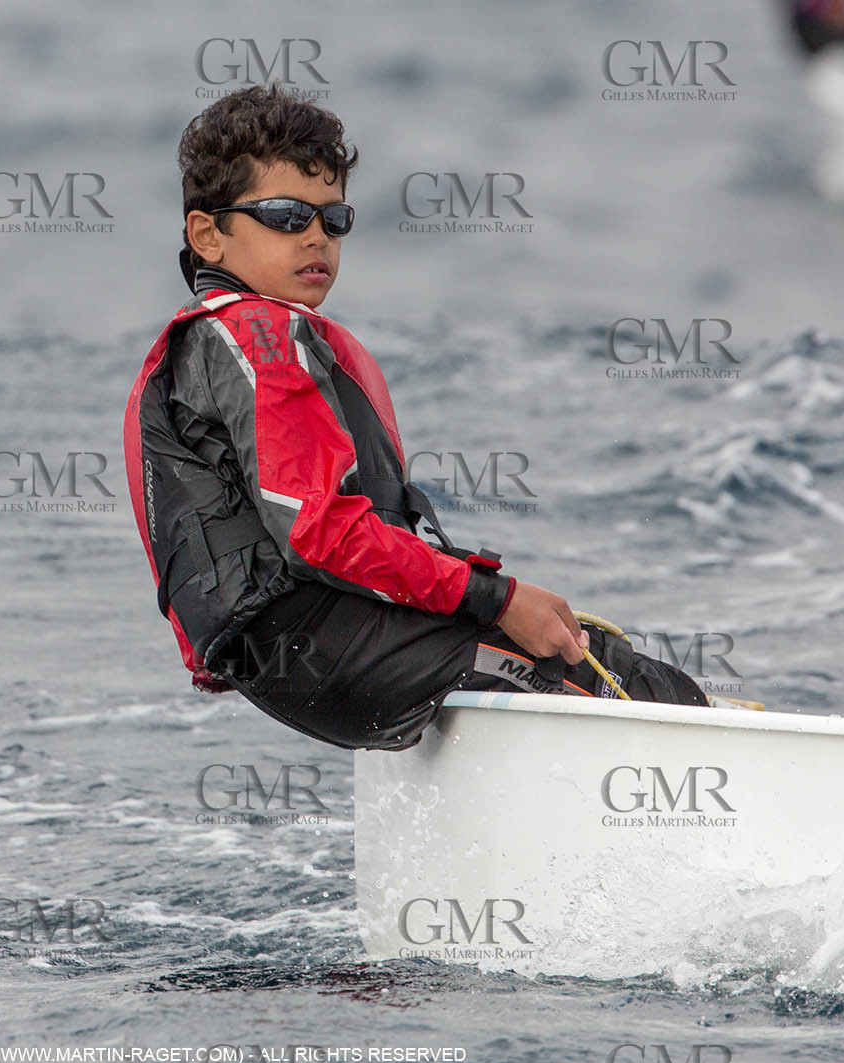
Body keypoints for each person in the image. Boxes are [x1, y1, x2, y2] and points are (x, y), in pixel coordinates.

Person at [123, 86, 708, 751]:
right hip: (322, 642)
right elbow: (318, 532)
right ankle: (726, 793)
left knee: (577, 646)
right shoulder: (258, 336)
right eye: (285, 216)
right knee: (611, 675)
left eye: (332, 218)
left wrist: (486, 595)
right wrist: (499, 596)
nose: (316, 235)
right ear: (208, 234)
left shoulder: (214, 346)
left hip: (292, 663)